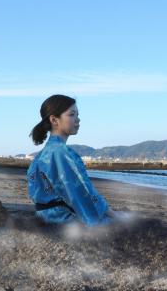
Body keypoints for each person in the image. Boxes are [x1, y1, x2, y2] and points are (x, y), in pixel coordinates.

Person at [27, 94, 121, 225]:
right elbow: (82, 193)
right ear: (54, 120)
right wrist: (114, 216)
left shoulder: (44, 153)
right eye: (72, 115)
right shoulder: (60, 152)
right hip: (62, 219)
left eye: (77, 114)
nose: (78, 119)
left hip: (46, 216)